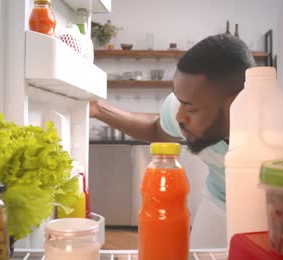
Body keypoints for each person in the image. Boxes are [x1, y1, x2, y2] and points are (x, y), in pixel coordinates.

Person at [90, 34, 255, 248]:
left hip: (267, 209)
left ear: (236, 104)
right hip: (218, 201)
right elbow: (157, 128)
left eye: (191, 109)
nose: (179, 117)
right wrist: (97, 109)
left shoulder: (277, 132)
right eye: (180, 102)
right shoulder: (185, 104)